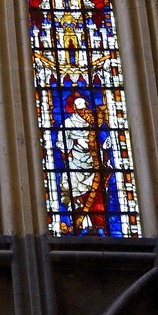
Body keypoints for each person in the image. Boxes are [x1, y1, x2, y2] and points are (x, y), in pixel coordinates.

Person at [54, 91, 107, 233]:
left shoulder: (92, 122)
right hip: (76, 163)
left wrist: (102, 147)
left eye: (85, 107)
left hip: (92, 161)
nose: (85, 111)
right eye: (81, 108)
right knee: (76, 192)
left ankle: (97, 225)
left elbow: (97, 139)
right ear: (75, 109)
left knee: (97, 192)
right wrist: (76, 141)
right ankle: (80, 224)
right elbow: (60, 143)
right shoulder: (68, 123)